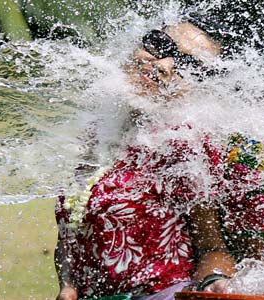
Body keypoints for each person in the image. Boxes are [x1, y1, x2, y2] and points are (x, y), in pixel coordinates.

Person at [54, 21, 236, 300]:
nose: (165, 65)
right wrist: (67, 283)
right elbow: (73, 231)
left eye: (189, 66)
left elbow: (212, 247)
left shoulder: (183, 143)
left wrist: (214, 281)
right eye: (161, 46)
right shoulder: (95, 132)